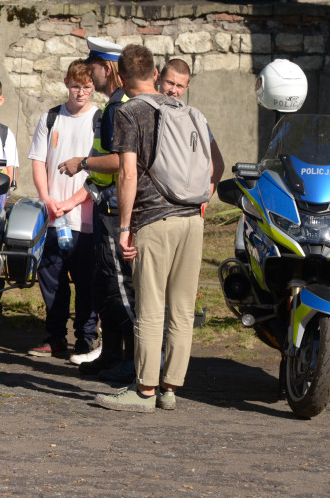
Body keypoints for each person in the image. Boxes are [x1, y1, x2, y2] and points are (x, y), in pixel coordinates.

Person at [94, 44, 212, 413]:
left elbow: (128, 173)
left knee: (149, 307)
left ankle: (143, 391)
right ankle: (170, 389)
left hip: (154, 220)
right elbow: (216, 163)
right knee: (181, 309)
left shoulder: (130, 112)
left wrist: (125, 227)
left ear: (123, 78)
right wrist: (201, 199)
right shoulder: (188, 110)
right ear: (155, 74)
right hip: (192, 220)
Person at [57, 37, 136, 376]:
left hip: (118, 211)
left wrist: (83, 162)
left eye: (93, 69)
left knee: (120, 287)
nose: (90, 76)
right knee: (106, 286)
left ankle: (134, 361)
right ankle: (112, 355)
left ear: (107, 69)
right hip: (107, 207)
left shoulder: (120, 107)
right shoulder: (115, 105)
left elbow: (121, 162)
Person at [26, 60, 98, 358]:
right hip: (53, 217)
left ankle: (86, 338)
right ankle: (55, 337)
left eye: (87, 87)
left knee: (87, 283)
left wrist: (72, 200)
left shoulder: (100, 119)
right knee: (51, 278)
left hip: (86, 218)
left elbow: (102, 172)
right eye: (76, 86)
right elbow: (38, 161)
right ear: (66, 83)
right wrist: (47, 199)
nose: (81, 93)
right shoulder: (51, 118)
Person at [158, 59, 226, 208]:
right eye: (169, 82)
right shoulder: (147, 113)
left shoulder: (195, 119)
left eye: (180, 86)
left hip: (186, 209)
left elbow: (218, 164)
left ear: (187, 87)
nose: (173, 90)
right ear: (159, 79)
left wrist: (204, 201)